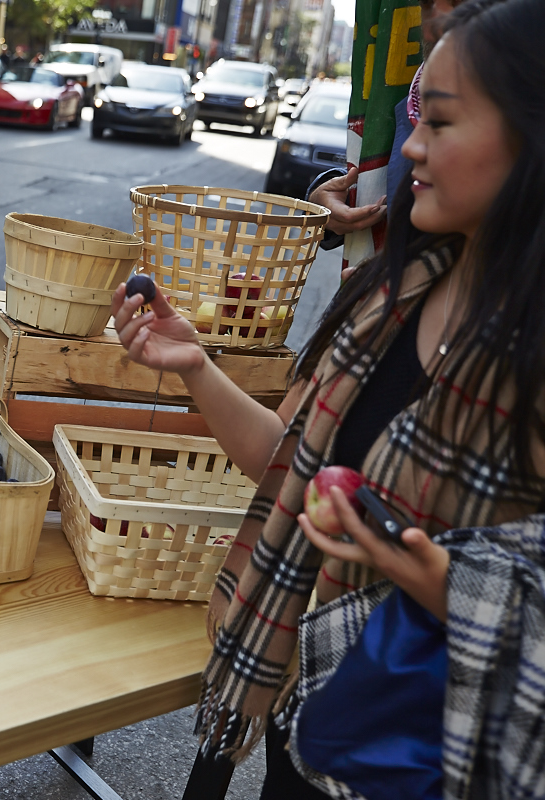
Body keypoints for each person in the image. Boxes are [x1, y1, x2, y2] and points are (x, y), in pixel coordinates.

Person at [112, 0, 545, 796]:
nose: (409, 145)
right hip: (318, 712)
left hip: (441, 751)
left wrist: (450, 587)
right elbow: (289, 464)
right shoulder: (399, 291)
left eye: (440, 123)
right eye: (417, 114)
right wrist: (198, 367)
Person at [310, 0, 466, 257]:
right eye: (426, 5)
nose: (413, 148)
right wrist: (330, 201)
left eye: (458, 3)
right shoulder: (409, 98)